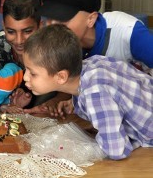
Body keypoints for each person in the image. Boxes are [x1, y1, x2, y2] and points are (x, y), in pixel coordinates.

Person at [23, 24, 153, 160]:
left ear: (61, 77)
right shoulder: (93, 63)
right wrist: (76, 103)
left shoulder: (94, 93)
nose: (25, 77)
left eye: (32, 73)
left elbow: (117, 150)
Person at [38, 0, 153, 73]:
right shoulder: (61, 43)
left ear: (91, 19)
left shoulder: (128, 31)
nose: (51, 26)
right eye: (48, 18)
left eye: (61, 18)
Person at [0, 0, 71, 114]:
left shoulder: (52, 46)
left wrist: (53, 102)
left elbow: (69, 85)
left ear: (40, 26)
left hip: (44, 106)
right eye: (11, 31)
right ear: (4, 26)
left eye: (27, 31)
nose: (19, 40)